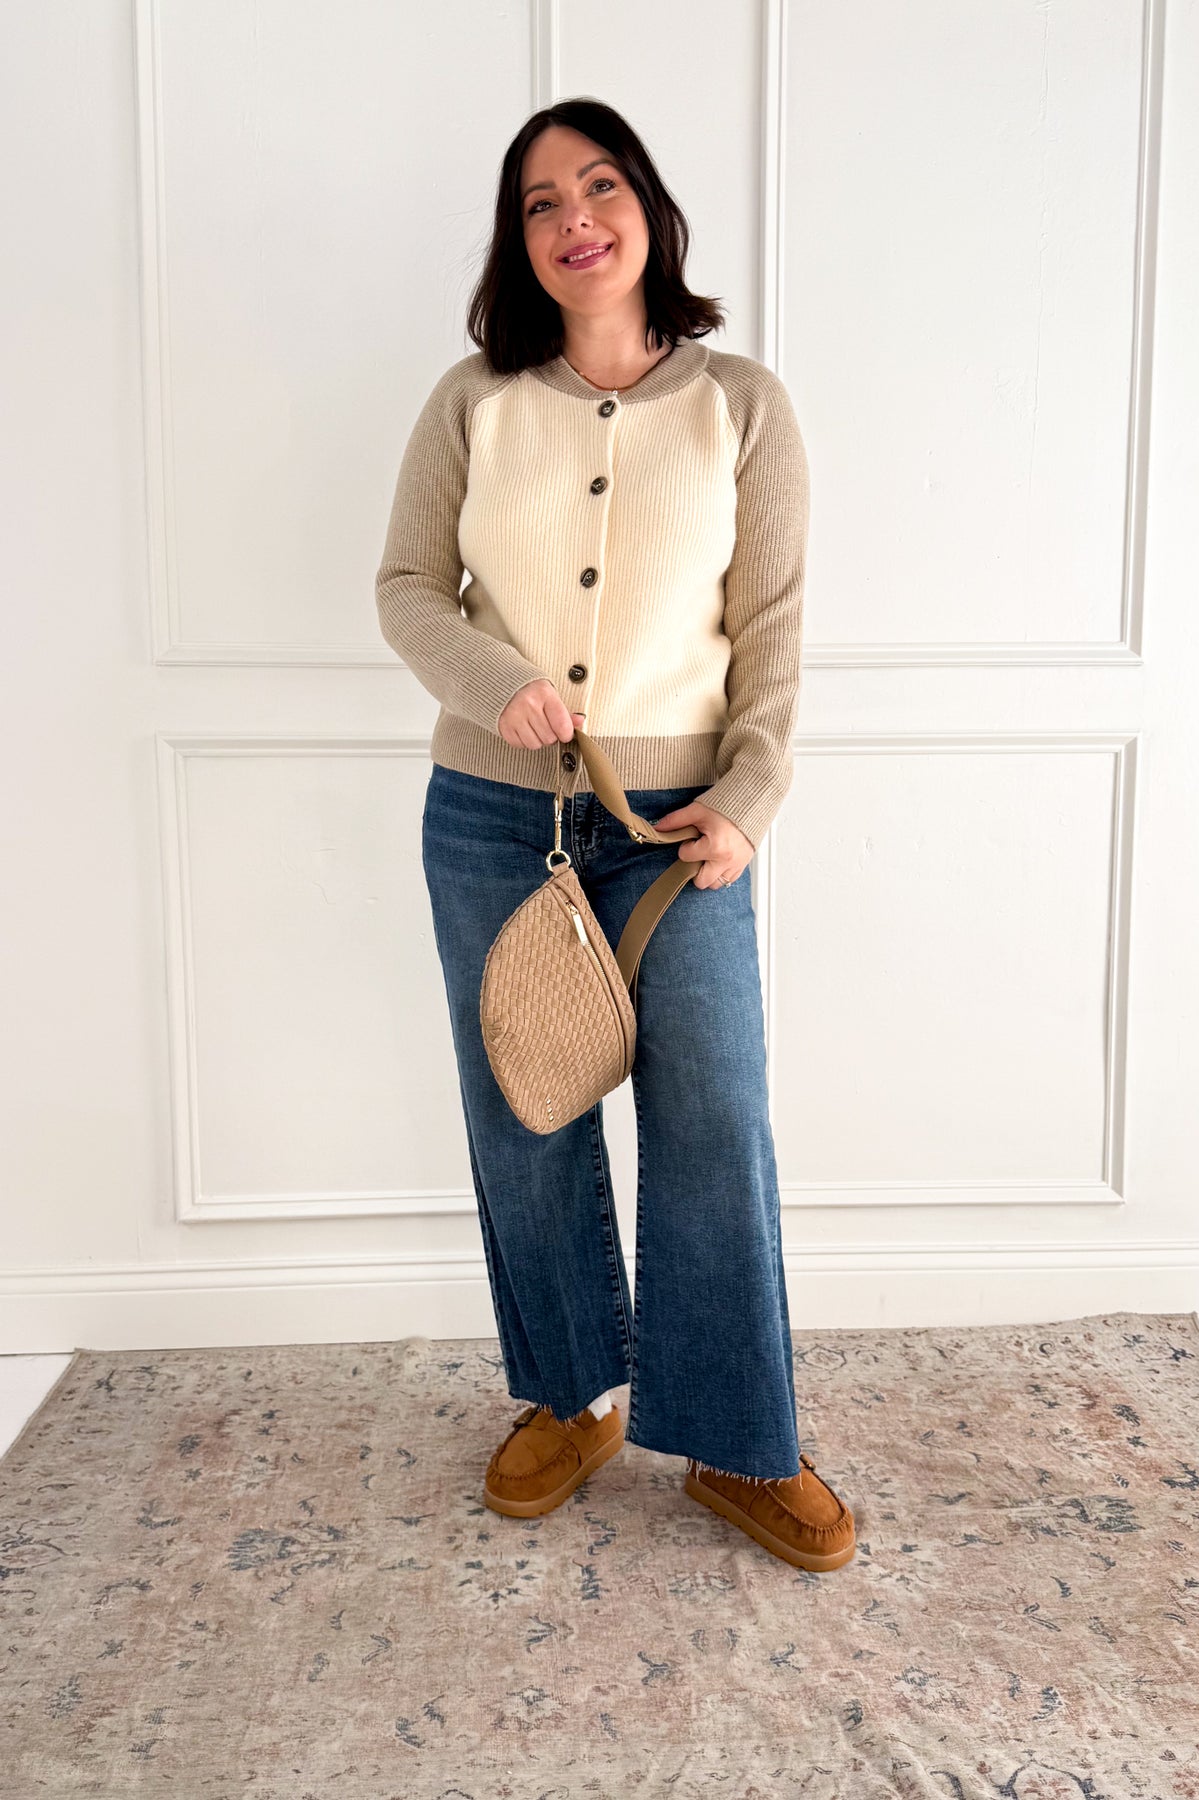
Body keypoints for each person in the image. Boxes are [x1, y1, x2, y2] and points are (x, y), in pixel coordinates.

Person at [375, 98, 855, 1574]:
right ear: (519, 241)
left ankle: (738, 1439)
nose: (574, 219)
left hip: (678, 829)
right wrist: (494, 681)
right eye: (540, 203)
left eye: (599, 187)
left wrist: (752, 800)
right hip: (493, 817)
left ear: (648, 209)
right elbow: (406, 587)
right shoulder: (473, 399)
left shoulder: (743, 404)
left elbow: (772, 632)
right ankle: (568, 1397)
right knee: (527, 1114)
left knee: (716, 1118)